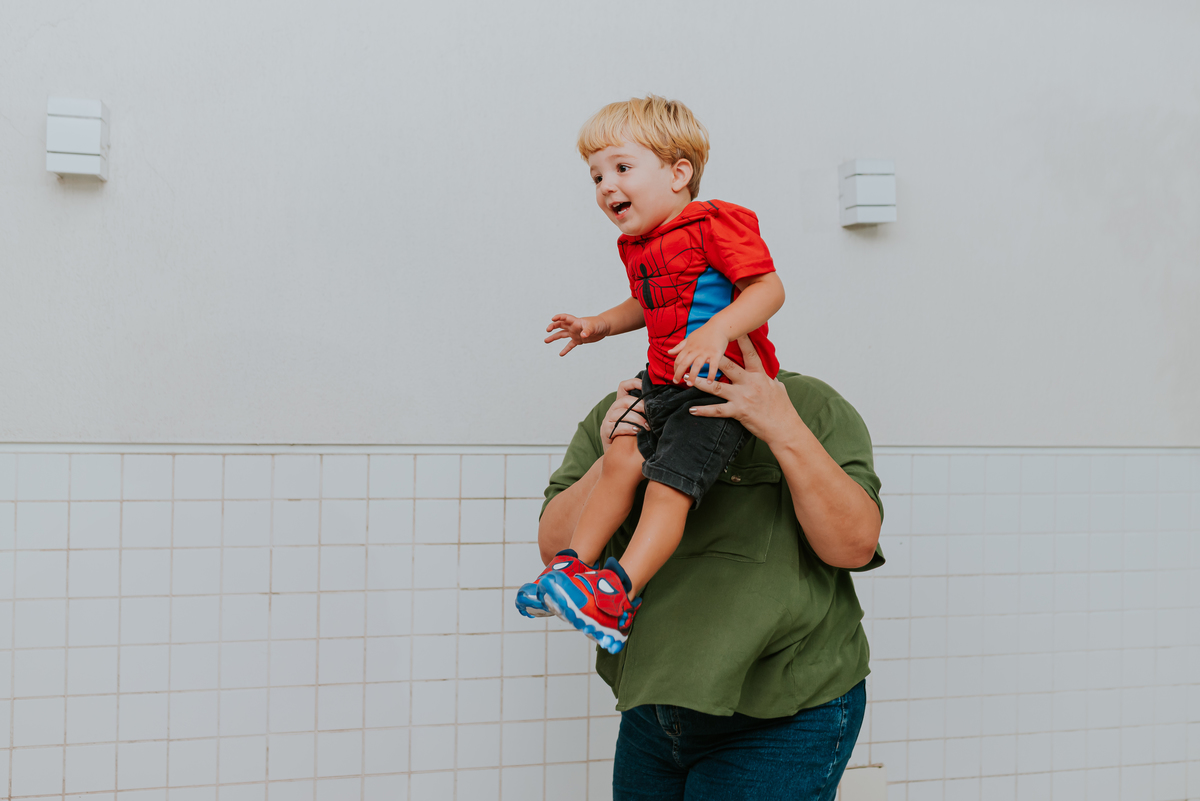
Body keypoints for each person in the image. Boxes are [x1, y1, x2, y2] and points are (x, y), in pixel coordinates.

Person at [540, 337, 885, 800]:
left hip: (784, 710)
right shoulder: (625, 408)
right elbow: (556, 549)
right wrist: (613, 460)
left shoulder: (810, 406)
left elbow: (854, 547)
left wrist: (783, 428)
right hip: (654, 709)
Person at [513, 95, 787, 655]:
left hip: (715, 387)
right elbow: (647, 303)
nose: (606, 186)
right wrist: (599, 325)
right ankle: (572, 569)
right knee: (619, 456)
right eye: (595, 176)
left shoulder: (715, 222)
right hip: (663, 380)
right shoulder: (638, 246)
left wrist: (717, 332)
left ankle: (618, 594)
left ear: (679, 173)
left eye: (621, 167)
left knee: (668, 488)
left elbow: (768, 289)